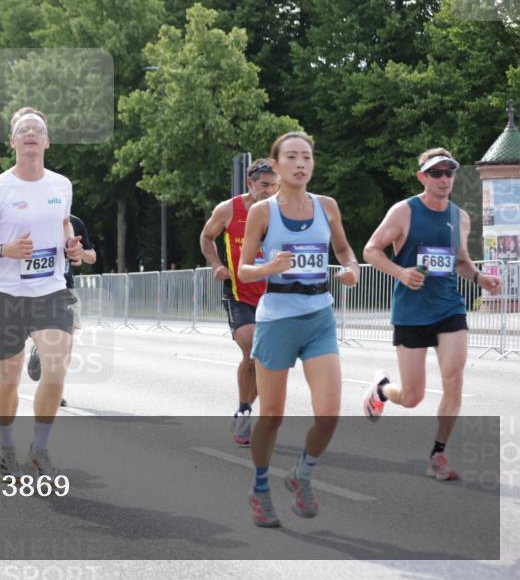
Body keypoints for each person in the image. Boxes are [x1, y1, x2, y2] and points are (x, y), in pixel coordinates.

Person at [237, 131, 359, 527]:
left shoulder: (327, 206)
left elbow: (342, 249)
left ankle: (301, 475)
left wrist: (352, 267)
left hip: (319, 314)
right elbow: (243, 269)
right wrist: (269, 267)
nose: (300, 163)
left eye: (307, 156)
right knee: (272, 415)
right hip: (277, 319)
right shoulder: (264, 211)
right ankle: (259, 488)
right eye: (291, 157)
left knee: (329, 414)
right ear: (277, 164)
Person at [362, 148, 501, 480]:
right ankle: (381, 391)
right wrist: (400, 272)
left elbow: (461, 261)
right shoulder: (404, 211)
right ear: (422, 177)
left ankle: (438, 454)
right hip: (411, 312)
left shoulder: (460, 216)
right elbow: (371, 250)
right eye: (436, 173)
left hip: (449, 307)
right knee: (412, 397)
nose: (443, 179)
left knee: (453, 378)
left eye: (449, 173)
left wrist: (479, 278)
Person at [0, 107, 83, 484]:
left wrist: (71, 246)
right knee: (9, 379)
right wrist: (3, 251)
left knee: (56, 368)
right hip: (7, 293)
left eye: (38, 130)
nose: (31, 134)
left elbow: (63, 222)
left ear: (47, 142)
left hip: (51, 290)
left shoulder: (61, 185)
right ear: (13, 142)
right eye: (23, 130)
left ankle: (40, 449)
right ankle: (6, 445)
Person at [200, 158, 279, 446]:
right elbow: (207, 236)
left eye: (274, 185)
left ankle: (243, 409)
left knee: (265, 359)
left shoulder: (283, 211)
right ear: (250, 184)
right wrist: (216, 264)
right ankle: (245, 411)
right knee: (254, 348)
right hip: (239, 293)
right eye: (264, 185)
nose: (269, 191)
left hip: (275, 296)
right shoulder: (228, 209)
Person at [26, 213, 97, 409]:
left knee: (66, 345)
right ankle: (40, 350)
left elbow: (92, 257)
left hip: (67, 289)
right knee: (49, 344)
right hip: (38, 289)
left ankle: (56, 391)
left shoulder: (75, 222)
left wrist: (78, 250)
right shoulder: (32, 218)